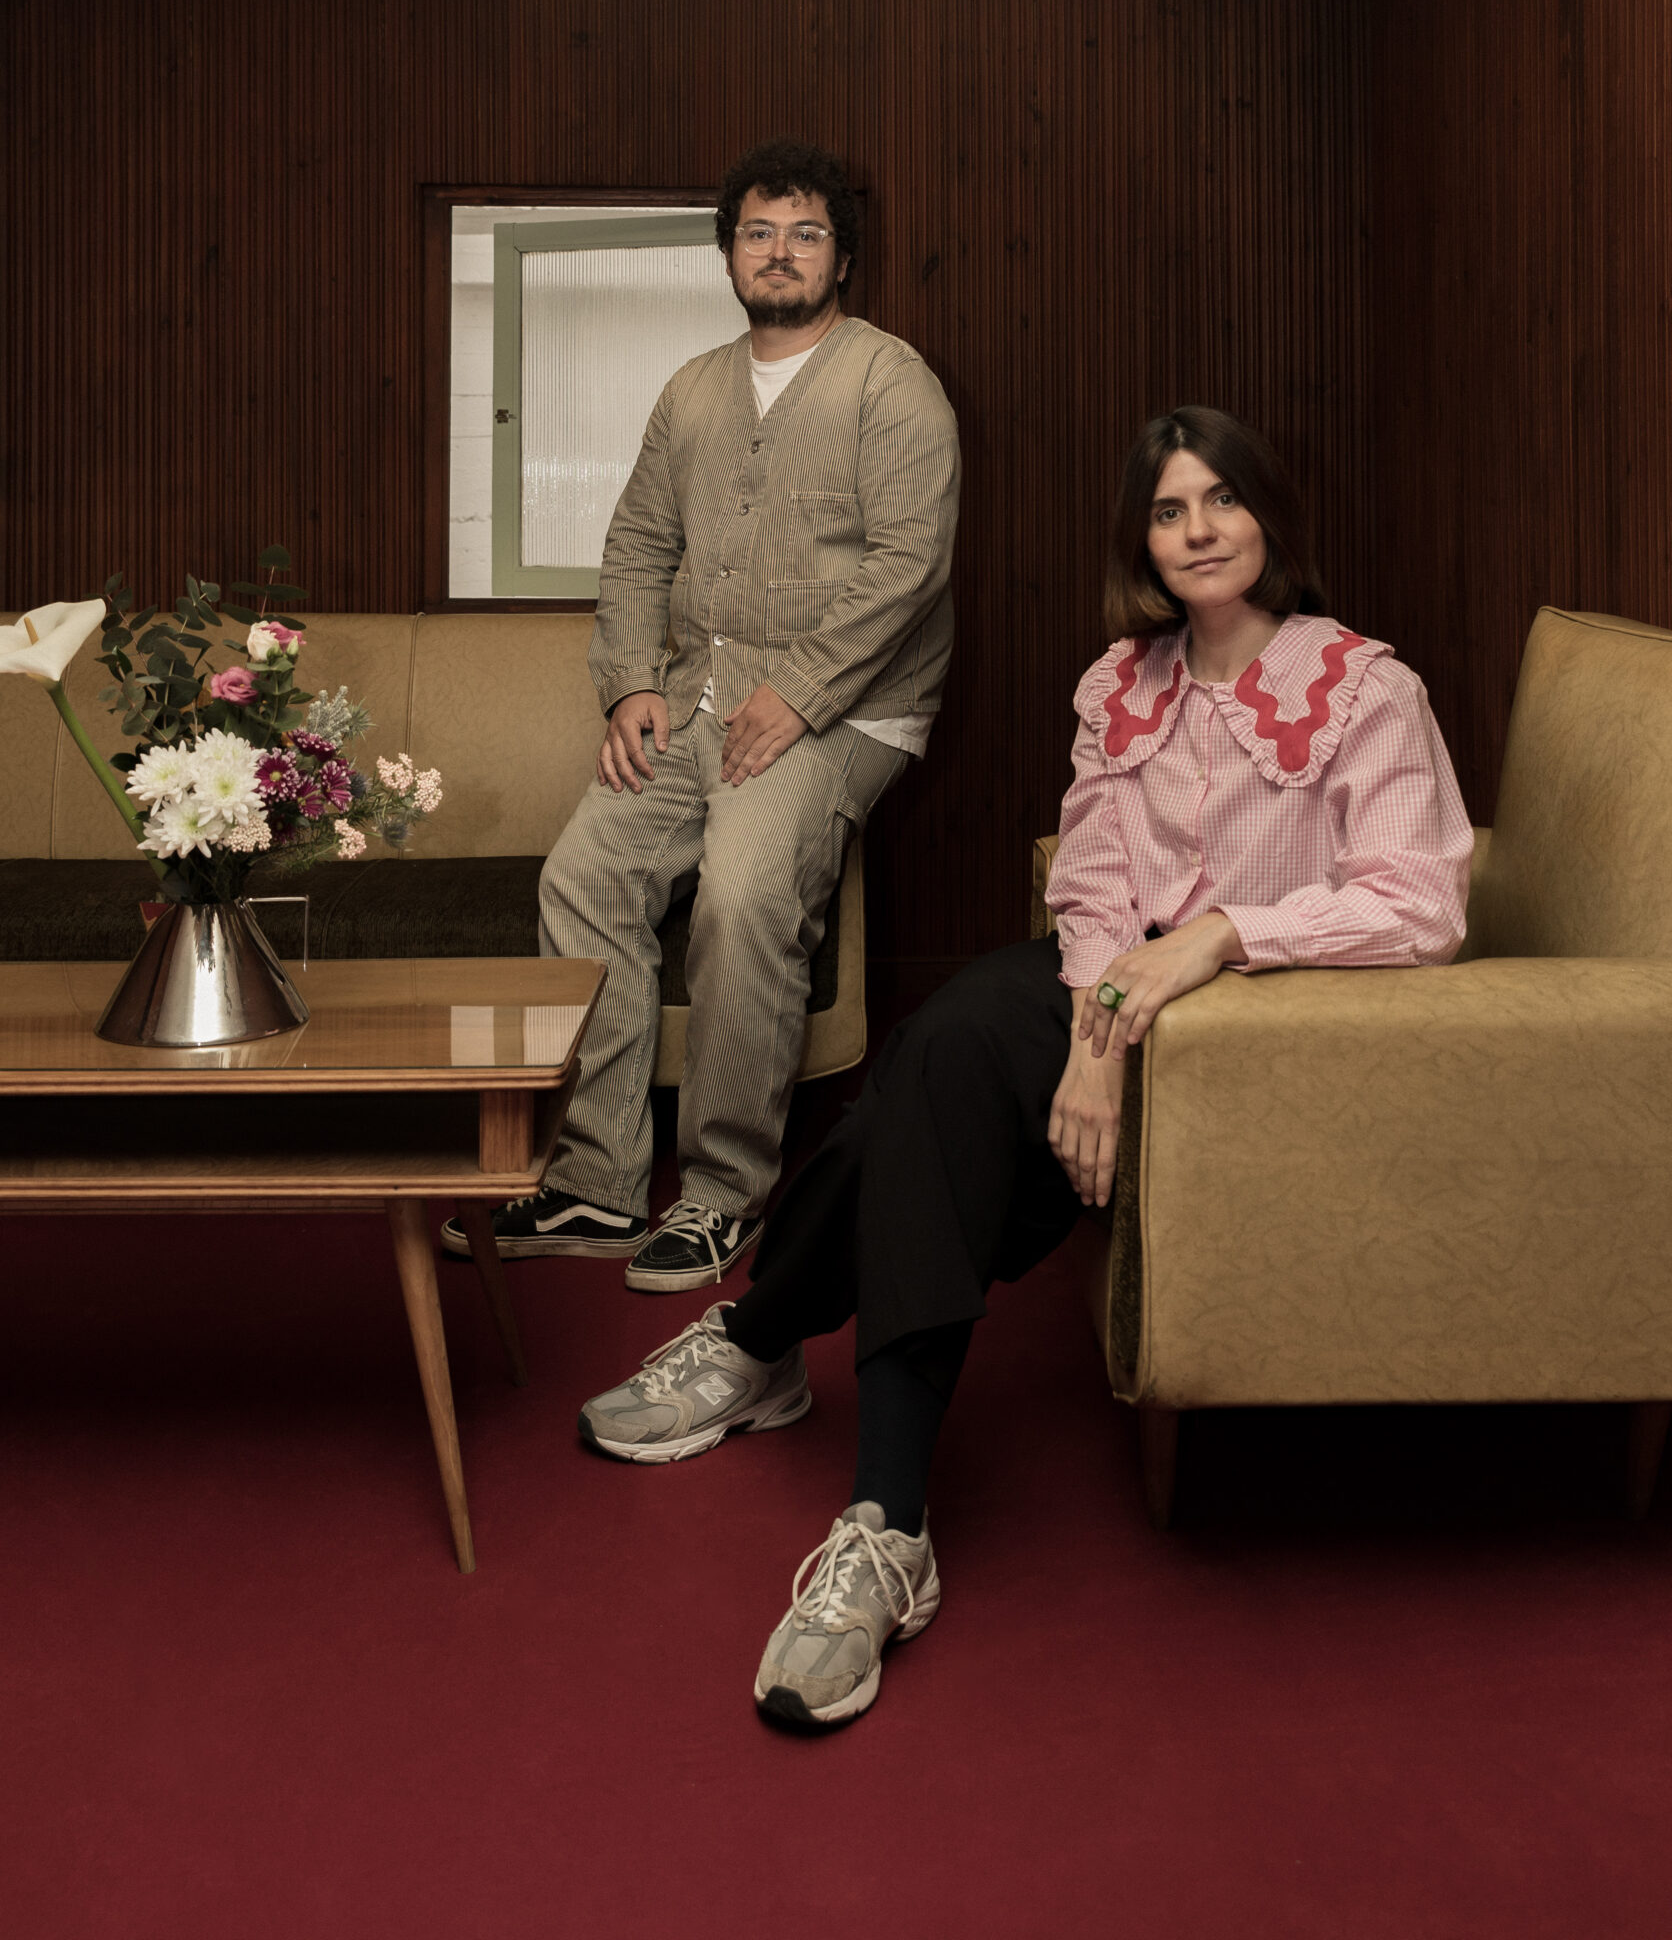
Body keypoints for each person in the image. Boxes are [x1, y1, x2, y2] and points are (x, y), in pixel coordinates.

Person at [576, 405, 1474, 1729]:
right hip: (1114, 985)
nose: (1197, 531)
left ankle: (762, 1337)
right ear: (1142, 542)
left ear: (1269, 516)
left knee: (926, 1082)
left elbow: (1420, 906)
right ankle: (887, 1525)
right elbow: (1096, 885)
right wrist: (1097, 1040)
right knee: (942, 1056)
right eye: (1167, 511)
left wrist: (1219, 937)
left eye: (1221, 500)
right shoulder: (1121, 683)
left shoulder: (1365, 686)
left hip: (1258, 1025)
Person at [444, 139, 960, 1293]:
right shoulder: (691, 389)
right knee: (583, 875)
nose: (779, 252)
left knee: (742, 895)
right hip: (699, 694)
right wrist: (631, 681)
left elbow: (910, 564)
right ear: (728, 253)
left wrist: (803, 692)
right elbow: (637, 546)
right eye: (758, 233)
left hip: (850, 707)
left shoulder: (891, 383)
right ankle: (596, 1183)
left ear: (842, 258)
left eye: (805, 233)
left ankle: (725, 1191)